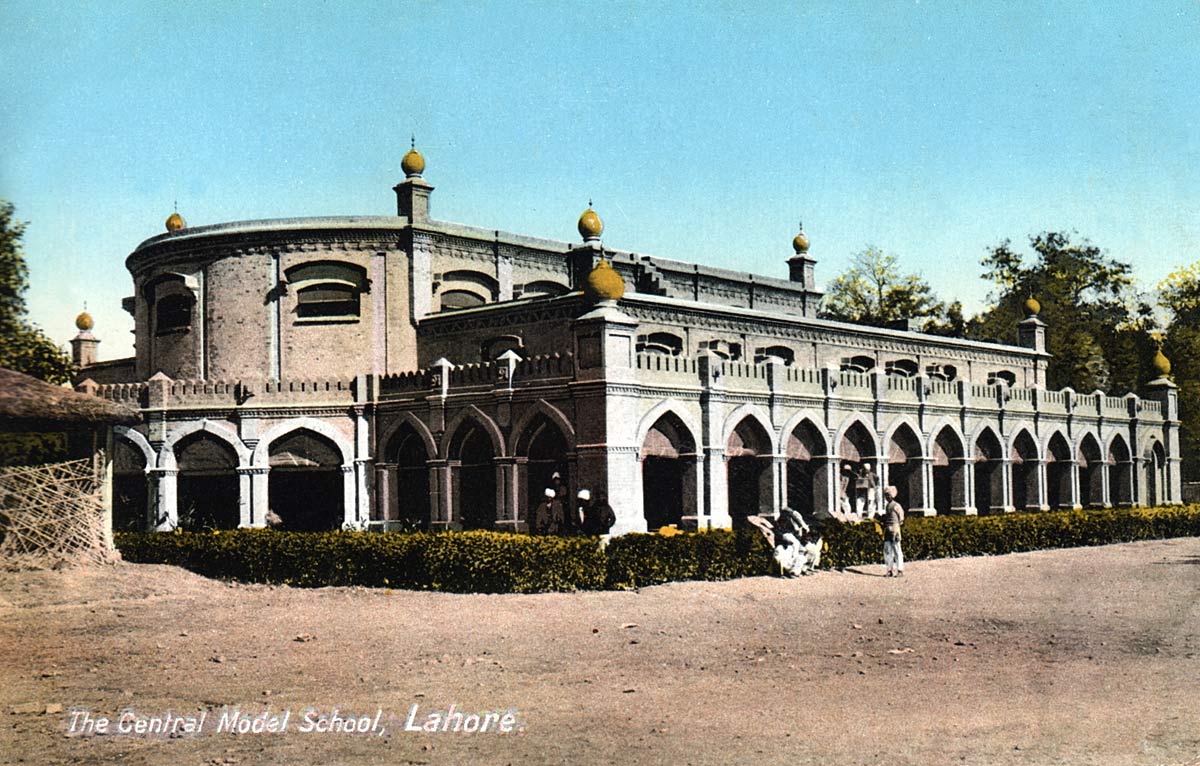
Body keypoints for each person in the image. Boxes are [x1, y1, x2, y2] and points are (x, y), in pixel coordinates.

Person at [882, 485, 905, 577]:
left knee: (897, 549)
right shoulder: (887, 506)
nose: (887, 497)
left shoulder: (896, 505)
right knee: (887, 550)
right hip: (887, 529)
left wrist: (897, 525)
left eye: (888, 495)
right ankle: (889, 570)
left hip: (894, 528)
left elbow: (901, 517)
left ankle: (900, 570)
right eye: (886, 495)